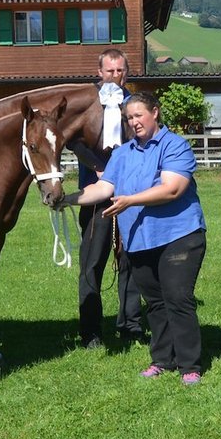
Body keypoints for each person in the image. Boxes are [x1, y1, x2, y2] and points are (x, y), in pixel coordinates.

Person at [61, 92, 207, 385]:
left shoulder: (175, 145)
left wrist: (130, 201)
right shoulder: (122, 153)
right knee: (154, 302)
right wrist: (66, 199)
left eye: (139, 115)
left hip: (179, 236)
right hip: (139, 239)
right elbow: (103, 188)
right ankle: (162, 359)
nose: (133, 122)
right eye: (129, 118)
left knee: (177, 297)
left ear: (155, 113)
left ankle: (190, 364)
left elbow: (172, 189)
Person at [70, 48, 145, 349]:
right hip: (95, 194)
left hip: (131, 194)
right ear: (99, 72)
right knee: (92, 264)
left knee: (131, 261)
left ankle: (130, 324)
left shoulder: (134, 104)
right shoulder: (85, 104)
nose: (116, 75)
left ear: (127, 72)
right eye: (110, 71)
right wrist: (97, 167)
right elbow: (72, 141)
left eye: (121, 71)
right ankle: (90, 332)